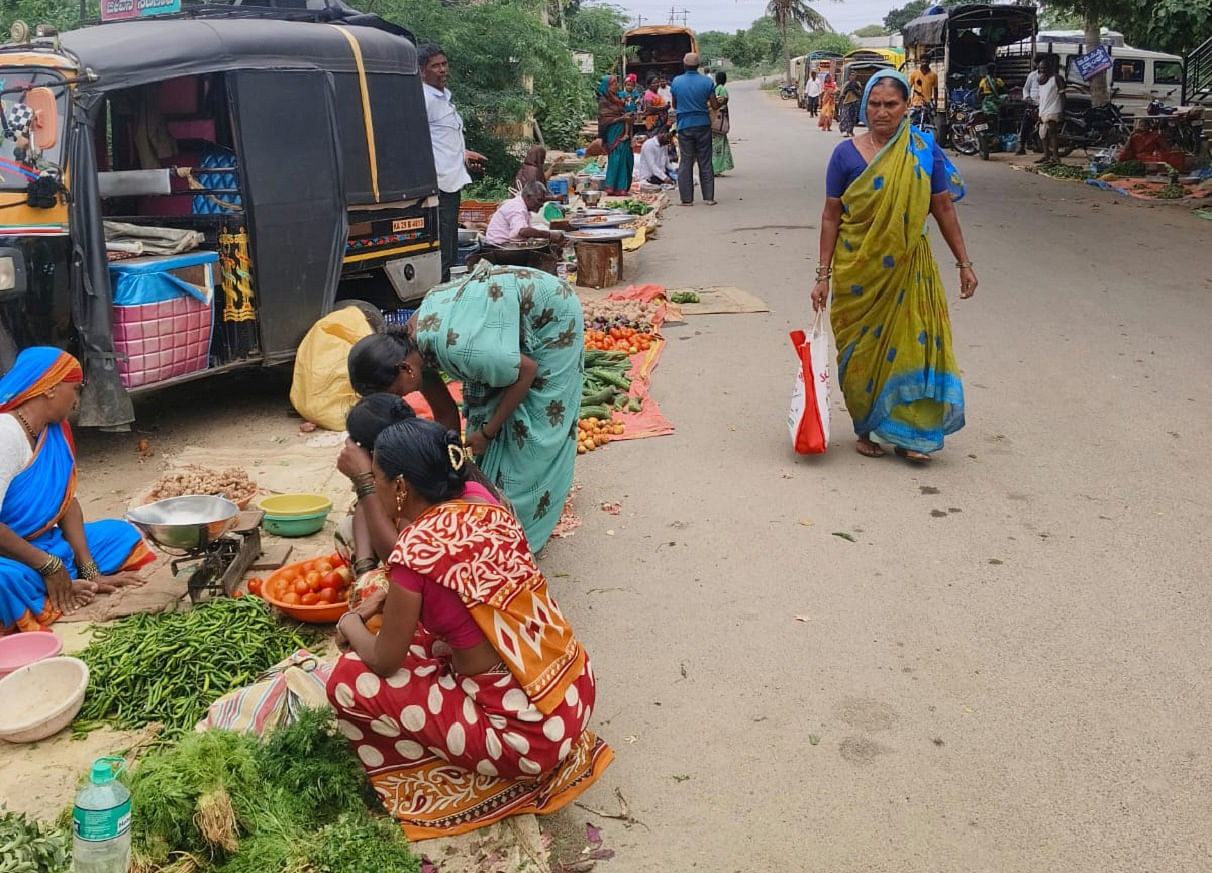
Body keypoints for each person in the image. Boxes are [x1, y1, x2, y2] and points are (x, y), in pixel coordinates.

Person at [327, 416, 612, 840]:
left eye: (379, 481)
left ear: (401, 486)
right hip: (572, 691)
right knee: (423, 637)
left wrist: (351, 622)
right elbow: (455, 577)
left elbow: (384, 662)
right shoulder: (481, 502)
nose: (379, 490)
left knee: (349, 679)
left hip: (527, 740)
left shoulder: (414, 551)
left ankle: (456, 779)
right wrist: (384, 598)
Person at [347, 263, 583, 551]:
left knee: (531, 430)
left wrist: (488, 432)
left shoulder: (454, 347)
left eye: (398, 393)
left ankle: (524, 535)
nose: (405, 398)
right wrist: (436, 466)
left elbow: (527, 371)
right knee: (488, 411)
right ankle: (498, 494)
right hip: (501, 318)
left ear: (405, 370)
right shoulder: (411, 352)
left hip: (551, 314)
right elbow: (445, 413)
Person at [811, 70, 977, 463]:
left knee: (914, 346)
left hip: (909, 266)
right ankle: (867, 425)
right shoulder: (845, 155)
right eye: (874, 104)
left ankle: (912, 435)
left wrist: (963, 263)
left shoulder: (922, 148)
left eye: (891, 104)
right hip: (858, 272)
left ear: (906, 107)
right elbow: (831, 216)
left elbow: (942, 207)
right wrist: (823, 275)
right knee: (861, 351)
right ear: (864, 105)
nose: (882, 112)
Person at [0, 347, 153, 634]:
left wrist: (90, 569)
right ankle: (51, 587)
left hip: (42, 544)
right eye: (75, 389)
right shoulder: (5, 434)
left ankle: (59, 586)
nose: (76, 401)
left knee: (122, 535)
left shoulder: (53, 431)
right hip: (8, 553)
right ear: (49, 389)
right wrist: (48, 565)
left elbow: (65, 501)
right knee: (4, 583)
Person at [421, 44, 488, 282]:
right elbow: (417, 141)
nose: (442, 70)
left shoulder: (443, 98)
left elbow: (442, 139)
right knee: (442, 254)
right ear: (421, 72)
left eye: (444, 64)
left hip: (451, 183)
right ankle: (438, 306)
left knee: (449, 249)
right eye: (435, 66)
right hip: (438, 186)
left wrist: (464, 154)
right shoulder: (425, 99)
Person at [670, 52, 719, 206]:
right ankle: (709, 198)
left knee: (686, 161)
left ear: (684, 65)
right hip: (703, 124)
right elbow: (715, 105)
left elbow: (675, 105)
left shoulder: (677, 82)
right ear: (698, 66)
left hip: (684, 125)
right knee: (705, 161)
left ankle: (687, 199)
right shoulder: (707, 82)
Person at [484, 182, 565, 248]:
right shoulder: (517, 207)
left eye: (543, 201)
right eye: (539, 200)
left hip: (506, 245)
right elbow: (522, 231)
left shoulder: (523, 206)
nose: (541, 205)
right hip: (499, 247)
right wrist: (549, 235)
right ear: (528, 196)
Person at [595, 75, 633, 196]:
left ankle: (622, 187)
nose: (616, 86)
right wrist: (622, 118)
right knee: (616, 158)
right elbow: (604, 119)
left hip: (623, 132)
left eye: (616, 83)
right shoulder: (604, 101)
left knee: (626, 158)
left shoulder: (617, 98)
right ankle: (612, 186)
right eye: (613, 84)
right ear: (607, 87)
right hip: (613, 133)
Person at [1037, 58, 1065, 165]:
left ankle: (1056, 157)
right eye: (1040, 68)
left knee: (1052, 133)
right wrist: (1040, 113)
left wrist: (1062, 110)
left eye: (1044, 68)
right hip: (1043, 110)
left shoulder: (1057, 78)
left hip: (1054, 109)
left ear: (1049, 68)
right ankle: (1046, 155)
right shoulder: (1040, 79)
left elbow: (1062, 95)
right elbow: (1042, 97)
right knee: (1043, 134)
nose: (1042, 70)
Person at [1017, 56, 1045, 155]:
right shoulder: (1032, 75)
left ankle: (1039, 146)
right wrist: (1027, 97)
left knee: (1043, 127)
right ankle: (1021, 147)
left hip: (1044, 105)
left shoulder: (1051, 77)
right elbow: (1025, 89)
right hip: (1032, 104)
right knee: (1025, 125)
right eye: (1039, 65)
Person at [712, 71, 734, 176]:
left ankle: (713, 167)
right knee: (719, 147)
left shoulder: (715, 88)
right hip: (720, 122)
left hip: (713, 121)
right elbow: (723, 103)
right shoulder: (723, 89)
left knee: (713, 146)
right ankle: (717, 168)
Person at [839, 70, 863, 137]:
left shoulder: (857, 84)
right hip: (847, 102)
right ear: (849, 76)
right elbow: (842, 93)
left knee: (853, 118)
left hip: (855, 102)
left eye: (854, 75)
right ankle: (844, 130)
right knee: (846, 117)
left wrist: (854, 89)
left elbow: (860, 92)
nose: (853, 77)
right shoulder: (847, 84)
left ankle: (850, 131)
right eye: (851, 75)